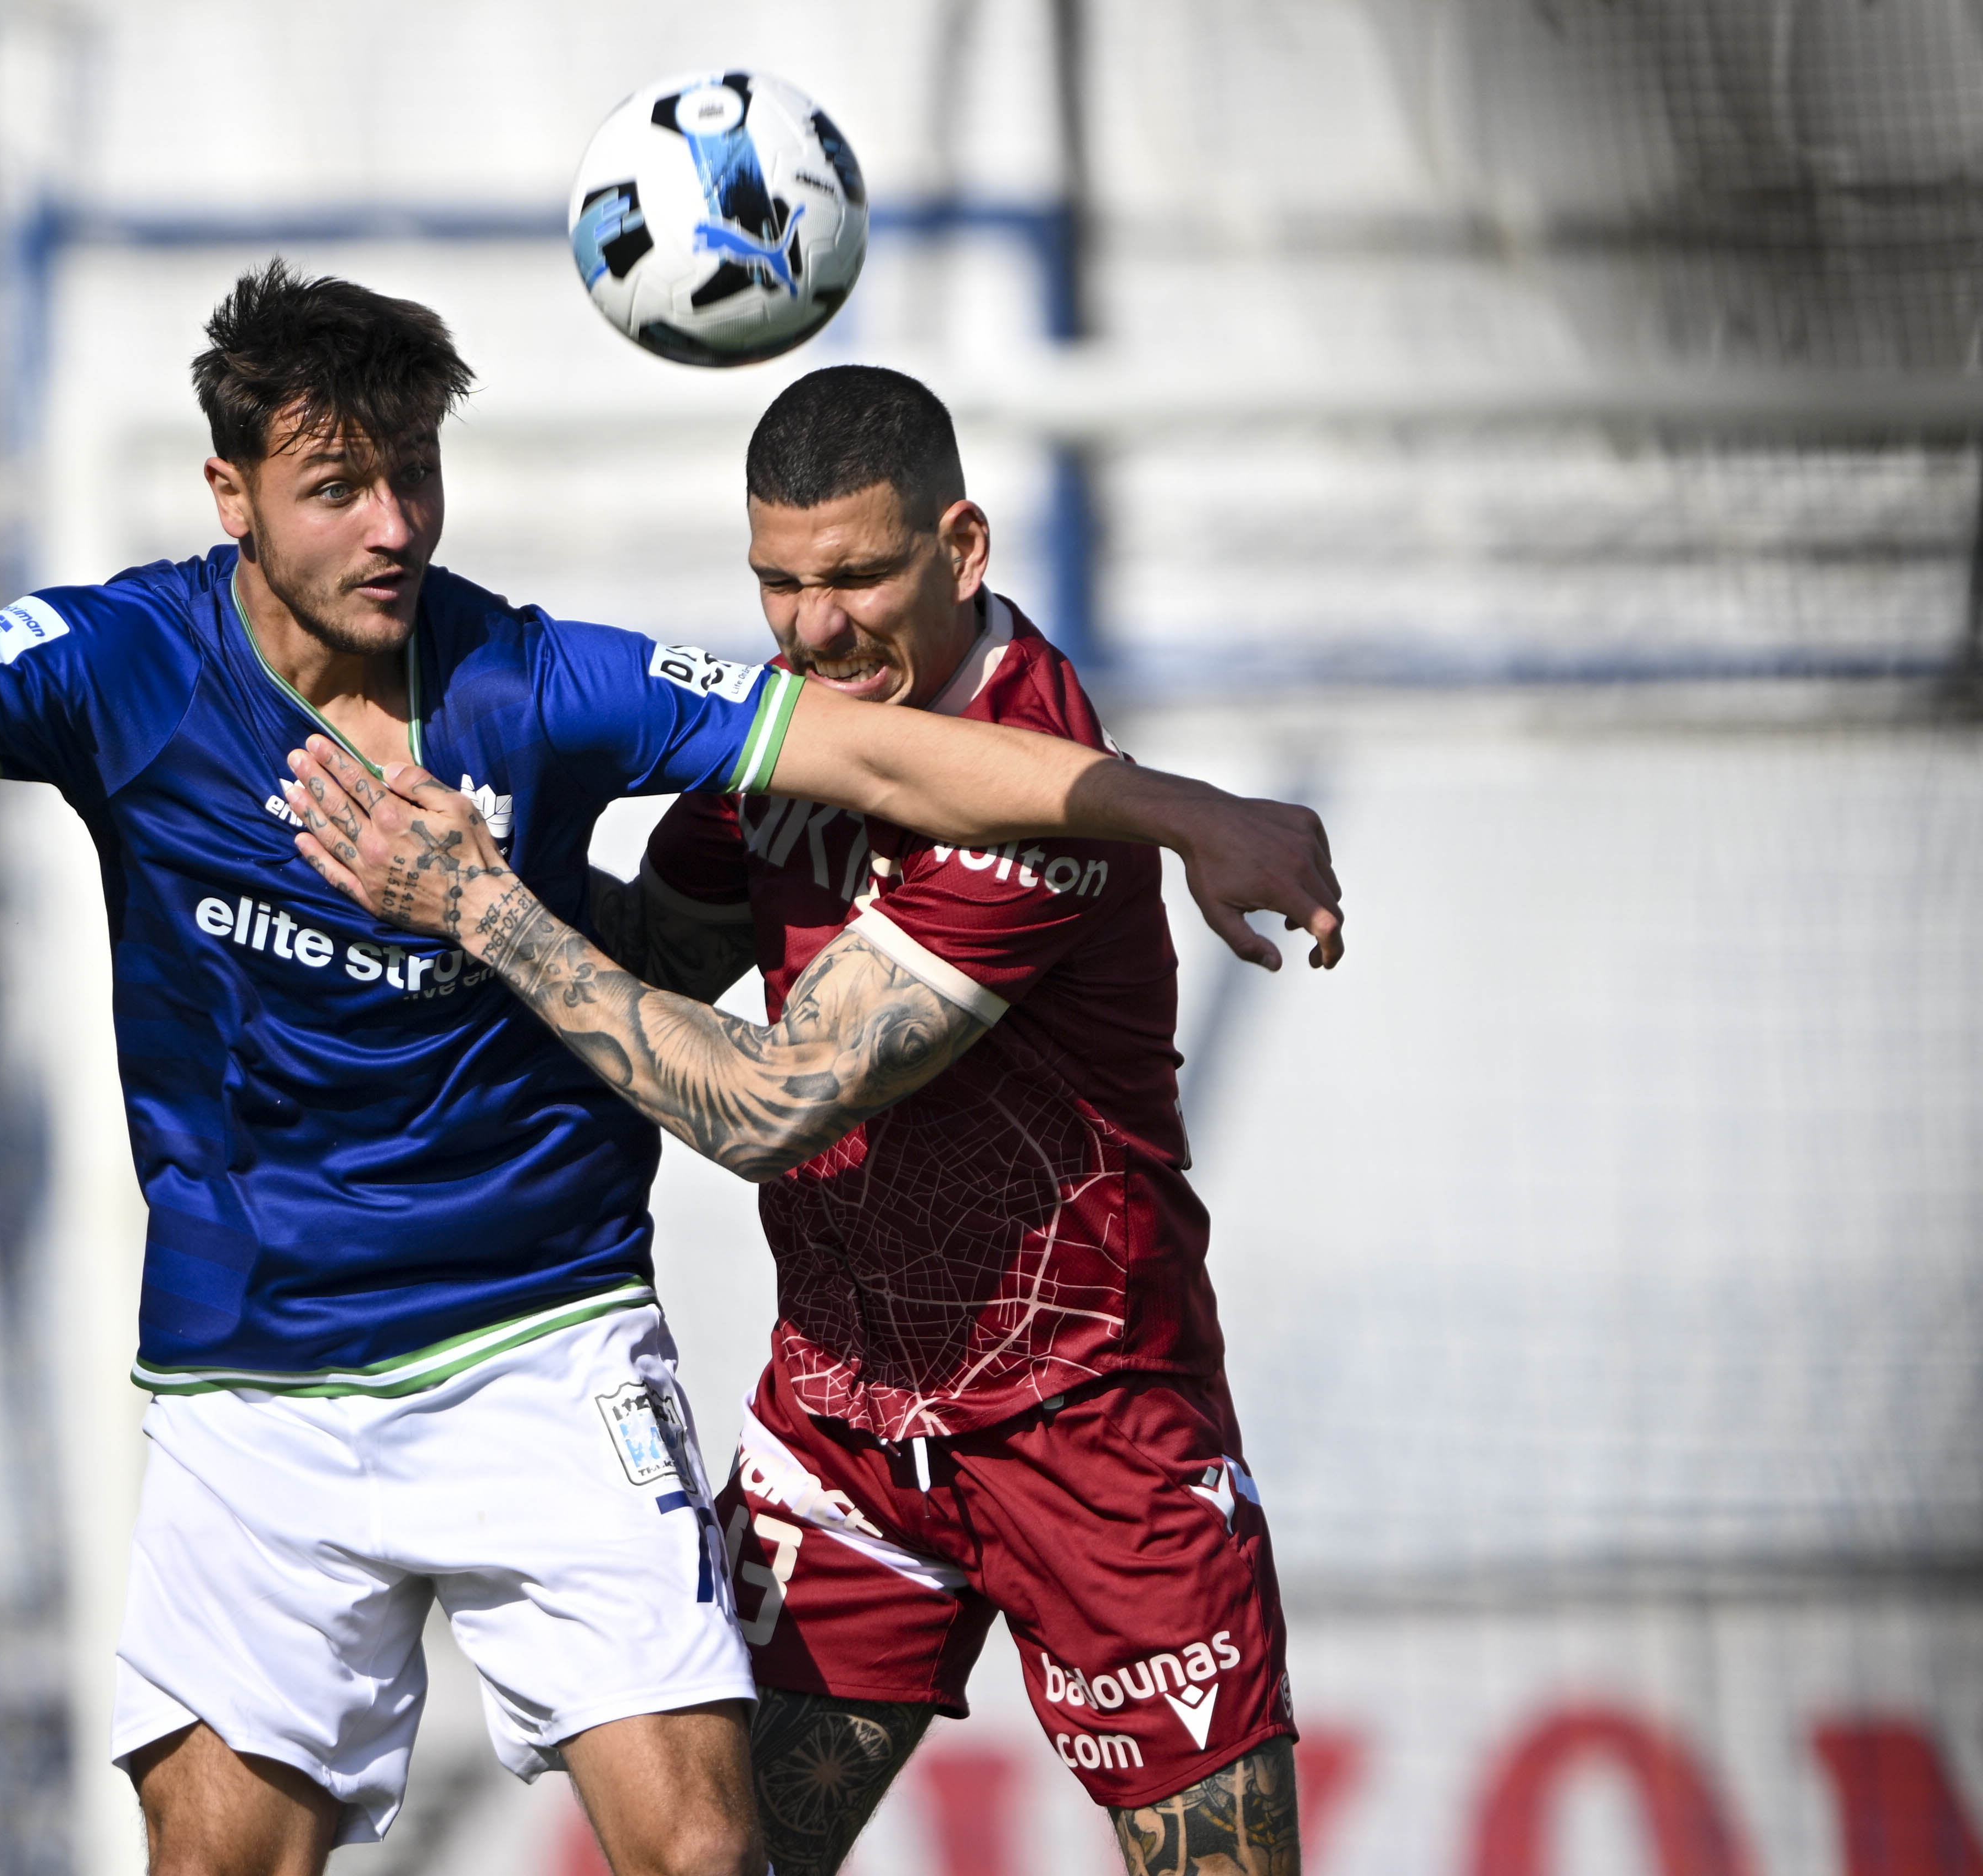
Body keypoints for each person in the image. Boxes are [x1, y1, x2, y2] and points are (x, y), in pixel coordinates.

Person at [0, 266, 1339, 1876]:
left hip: (676, 1359)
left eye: (414, 476)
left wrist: (1183, 810)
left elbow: (821, 943)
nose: (393, 528)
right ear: (232, 495)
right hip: (346, 1373)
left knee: (701, 1852)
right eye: (340, 486)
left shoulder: (552, 685)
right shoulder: (110, 666)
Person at [285, 364, 1323, 1876]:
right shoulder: (798, 730)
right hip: (842, 1425)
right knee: (713, 1861)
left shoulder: (1039, 792)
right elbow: (665, 951)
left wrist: (488, 914)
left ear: (963, 549)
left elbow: (771, 1102)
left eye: (856, 579)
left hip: (1087, 1423)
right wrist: (456, 849)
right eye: (779, 583)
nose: (815, 629)